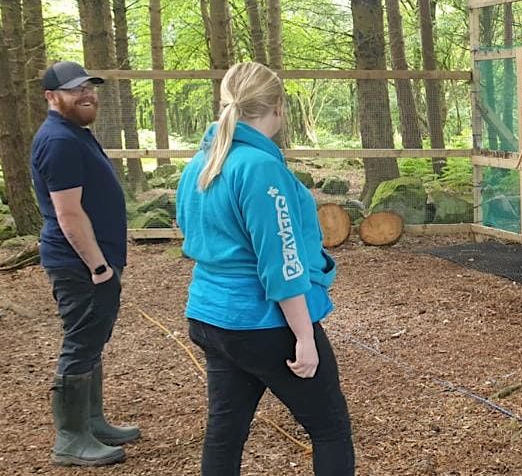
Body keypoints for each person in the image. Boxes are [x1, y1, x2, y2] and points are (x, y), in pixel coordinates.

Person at [176, 62, 354, 475]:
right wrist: (304, 336)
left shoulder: (200, 162)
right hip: (262, 323)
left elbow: (190, 230)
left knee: (225, 431)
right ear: (278, 107)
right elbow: (281, 261)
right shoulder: (259, 168)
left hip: (211, 316)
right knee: (330, 428)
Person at [30, 61, 141, 467]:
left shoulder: (74, 133)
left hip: (91, 260)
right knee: (81, 342)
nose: (86, 94)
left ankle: (92, 422)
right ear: (51, 96)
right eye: (75, 89)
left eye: (89, 87)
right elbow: (69, 213)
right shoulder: (59, 140)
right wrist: (98, 267)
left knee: (92, 338)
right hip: (79, 264)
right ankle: (71, 438)